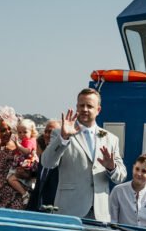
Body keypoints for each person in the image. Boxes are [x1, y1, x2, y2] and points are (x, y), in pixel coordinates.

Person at [41, 88, 127, 221]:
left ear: (98, 110)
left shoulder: (111, 138)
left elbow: (121, 176)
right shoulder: (60, 133)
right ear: (76, 107)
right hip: (70, 210)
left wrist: (112, 167)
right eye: (82, 105)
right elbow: (47, 162)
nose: (85, 109)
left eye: (90, 106)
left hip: (100, 213)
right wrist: (63, 138)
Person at [27, 119, 61, 212]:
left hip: (55, 211)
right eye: (45, 131)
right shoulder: (42, 157)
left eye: (51, 132)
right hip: (38, 210)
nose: (46, 135)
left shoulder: (63, 159)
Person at [6, 118, 39, 205]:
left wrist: (17, 144)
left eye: (25, 132)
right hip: (26, 164)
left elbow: (27, 151)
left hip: (27, 164)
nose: (22, 134)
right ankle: (31, 183)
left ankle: (24, 194)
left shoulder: (29, 141)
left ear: (32, 132)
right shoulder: (28, 140)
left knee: (11, 179)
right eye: (20, 132)